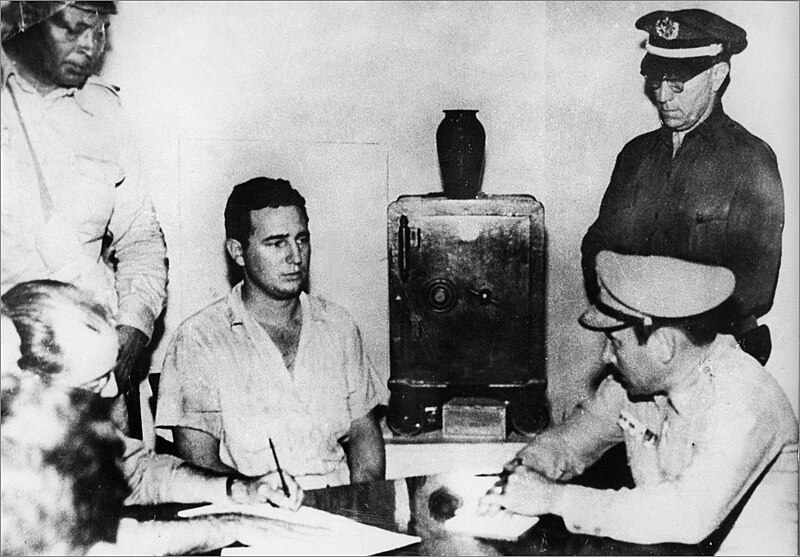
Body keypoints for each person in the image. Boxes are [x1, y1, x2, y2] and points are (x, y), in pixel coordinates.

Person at [479, 251, 798, 554]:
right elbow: (572, 440)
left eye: (616, 343)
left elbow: (686, 516)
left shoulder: (743, 398)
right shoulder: (634, 387)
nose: (606, 356)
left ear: (663, 345)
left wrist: (554, 498)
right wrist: (524, 472)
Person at [2, 280, 316, 556]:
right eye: (95, 383)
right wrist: (229, 526)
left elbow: (139, 472)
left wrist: (239, 489)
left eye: (110, 375)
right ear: (31, 384)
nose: (112, 390)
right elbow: (101, 547)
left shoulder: (48, 425)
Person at [581, 9, 784, 365]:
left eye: (677, 85)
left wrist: (670, 321)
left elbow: (755, 284)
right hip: (637, 347)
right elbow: (599, 241)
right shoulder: (636, 155)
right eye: (655, 82)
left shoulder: (750, 159)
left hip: (710, 350)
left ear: (717, 75)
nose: (663, 97)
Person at [156, 177, 387, 489]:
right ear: (238, 252)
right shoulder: (199, 339)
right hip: (251, 510)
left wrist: (362, 499)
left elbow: (363, 433)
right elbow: (199, 462)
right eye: (277, 243)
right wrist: (262, 497)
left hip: (339, 505)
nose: (295, 256)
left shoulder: (338, 326)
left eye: (301, 240)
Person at [0, 1, 168, 409]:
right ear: (26, 23)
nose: (90, 46)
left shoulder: (104, 110)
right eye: (74, 29)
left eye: (100, 30)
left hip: (95, 373)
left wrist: (135, 325)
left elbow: (141, 237)